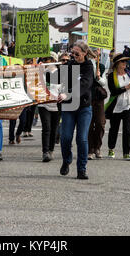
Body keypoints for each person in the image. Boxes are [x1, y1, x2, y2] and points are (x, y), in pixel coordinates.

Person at [57, 41, 95, 180]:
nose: (74, 56)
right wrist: (40, 71)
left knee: (82, 139)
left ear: (85, 53)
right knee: (66, 137)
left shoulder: (88, 67)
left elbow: (84, 85)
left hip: (84, 108)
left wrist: (68, 94)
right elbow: (56, 78)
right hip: (68, 107)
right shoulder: (70, 64)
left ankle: (82, 169)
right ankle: (67, 160)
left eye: (77, 54)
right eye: (72, 53)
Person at [104, 53, 130, 161]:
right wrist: (126, 87)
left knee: (127, 129)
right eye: (122, 61)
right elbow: (113, 91)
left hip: (129, 105)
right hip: (116, 106)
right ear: (117, 64)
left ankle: (126, 153)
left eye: (126, 61)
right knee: (114, 129)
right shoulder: (112, 76)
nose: (125, 63)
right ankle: (111, 149)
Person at [37, 52, 61, 162]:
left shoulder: (61, 73)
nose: (46, 61)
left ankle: (51, 150)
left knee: (54, 129)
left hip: (57, 104)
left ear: (54, 60)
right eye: (45, 59)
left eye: (49, 59)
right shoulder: (42, 72)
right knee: (46, 128)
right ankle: (45, 152)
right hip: (44, 104)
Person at [88, 48, 107, 160]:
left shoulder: (102, 67)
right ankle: (90, 149)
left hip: (98, 98)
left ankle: (97, 147)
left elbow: (103, 82)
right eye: (92, 54)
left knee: (100, 123)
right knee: (89, 125)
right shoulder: (86, 66)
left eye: (95, 54)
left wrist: (99, 76)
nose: (94, 56)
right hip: (87, 98)